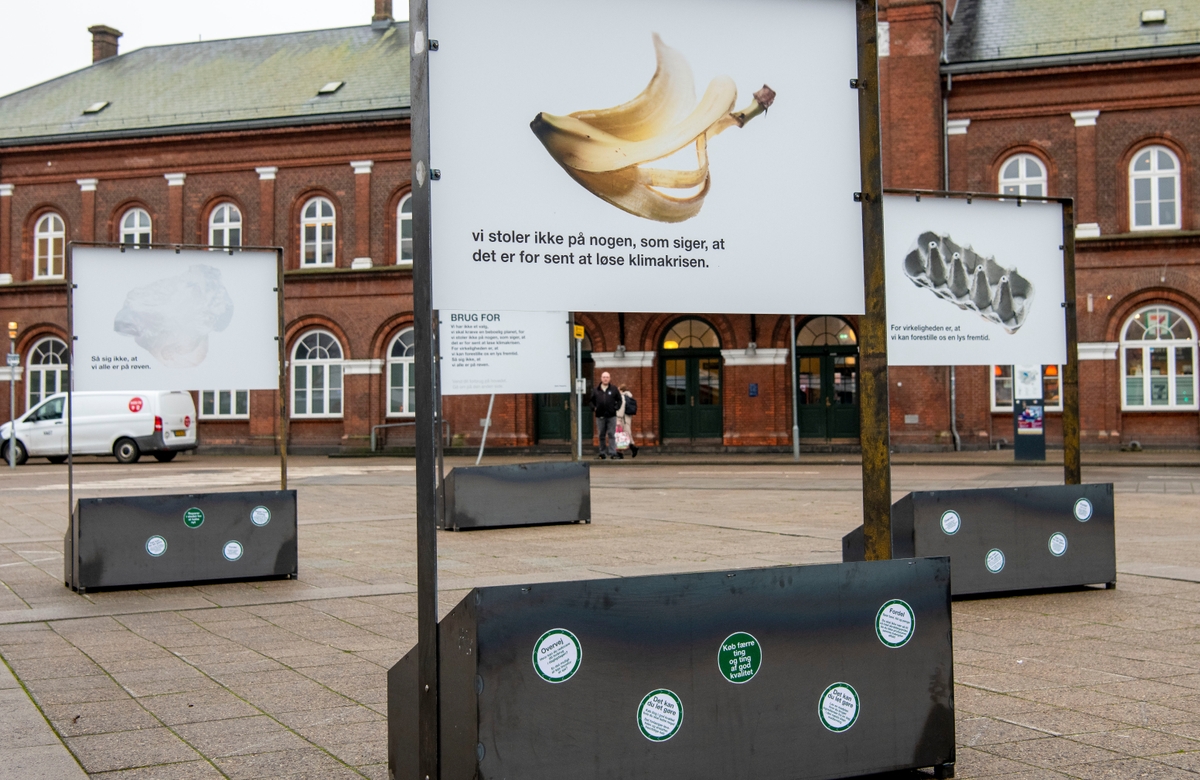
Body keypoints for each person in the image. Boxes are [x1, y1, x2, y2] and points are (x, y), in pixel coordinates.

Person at [590, 371, 622, 459]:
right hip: (600, 416)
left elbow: (619, 400)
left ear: (609, 378)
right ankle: (602, 453)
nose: (605, 379)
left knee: (612, 434)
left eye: (607, 377)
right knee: (601, 435)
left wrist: (615, 408)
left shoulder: (614, 389)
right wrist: (594, 408)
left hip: (611, 416)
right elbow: (591, 401)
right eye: (604, 377)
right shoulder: (596, 390)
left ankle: (612, 453)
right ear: (601, 378)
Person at [617, 384, 638, 458]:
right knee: (625, 434)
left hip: (623, 418)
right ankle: (631, 447)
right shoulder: (629, 396)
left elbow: (621, 408)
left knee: (622, 434)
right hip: (627, 417)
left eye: (618, 389)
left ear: (621, 390)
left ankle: (621, 453)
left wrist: (619, 418)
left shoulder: (622, 397)